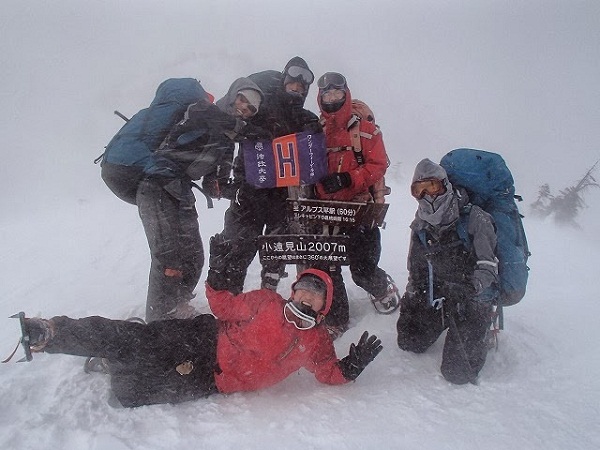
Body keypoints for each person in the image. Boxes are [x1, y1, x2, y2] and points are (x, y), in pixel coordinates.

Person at [16, 263, 383, 408]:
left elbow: (328, 373)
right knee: (137, 340)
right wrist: (219, 276)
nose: (305, 296)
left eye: (314, 294)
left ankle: (114, 364)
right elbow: (224, 307)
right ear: (293, 290)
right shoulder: (267, 302)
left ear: (324, 304)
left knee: (128, 395)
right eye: (302, 288)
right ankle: (51, 332)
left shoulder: (316, 342)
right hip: (203, 337)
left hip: (214, 378)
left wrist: (350, 367)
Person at [101, 77, 263, 322]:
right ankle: (159, 323)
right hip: (156, 185)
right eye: (242, 99)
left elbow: (213, 181)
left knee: (193, 255)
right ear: (232, 94)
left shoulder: (226, 142)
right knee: (168, 256)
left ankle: (176, 305)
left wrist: (229, 188)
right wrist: (250, 131)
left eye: (251, 108)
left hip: (180, 190)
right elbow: (206, 116)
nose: (244, 108)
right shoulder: (201, 108)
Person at [215, 57, 322, 295]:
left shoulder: (305, 118)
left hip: (282, 196)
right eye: (292, 82)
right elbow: (228, 132)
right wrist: (224, 181)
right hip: (249, 190)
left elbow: (312, 160)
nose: (296, 88)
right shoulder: (259, 107)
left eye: (301, 86)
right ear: (284, 79)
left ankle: (268, 297)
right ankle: (228, 303)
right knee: (238, 249)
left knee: (276, 251)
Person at [396, 158, 498, 384]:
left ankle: (482, 325)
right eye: (419, 190)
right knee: (409, 341)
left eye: (431, 187)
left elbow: (489, 266)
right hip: (441, 295)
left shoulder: (475, 218)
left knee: (457, 373)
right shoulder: (421, 224)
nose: (427, 196)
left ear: (445, 185)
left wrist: (472, 287)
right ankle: (447, 322)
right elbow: (416, 268)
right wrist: (413, 298)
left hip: (472, 297)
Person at [313, 72, 399, 332]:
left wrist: (347, 180)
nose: (331, 98)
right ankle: (336, 318)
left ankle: (382, 287)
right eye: (326, 94)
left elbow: (379, 164)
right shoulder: (317, 129)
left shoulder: (365, 129)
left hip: (360, 207)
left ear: (345, 93)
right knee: (327, 266)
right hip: (324, 209)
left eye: (336, 93)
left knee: (362, 267)